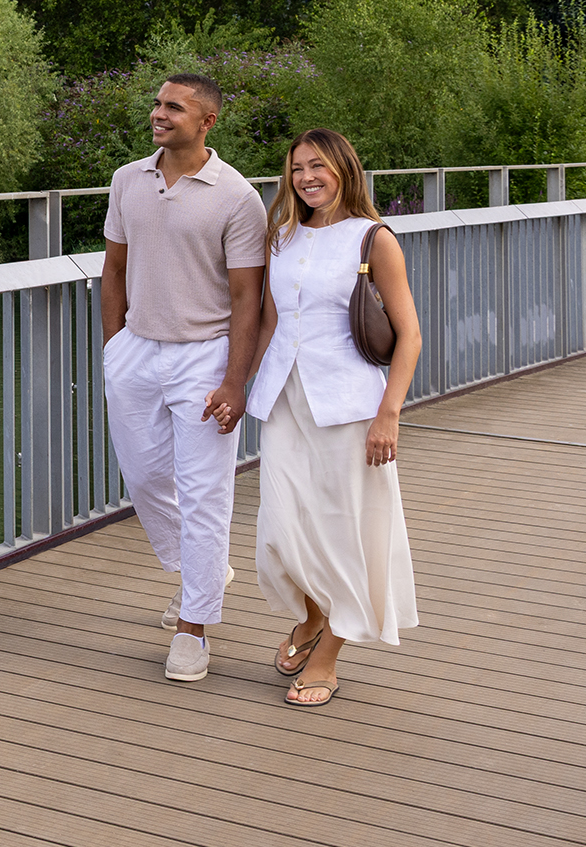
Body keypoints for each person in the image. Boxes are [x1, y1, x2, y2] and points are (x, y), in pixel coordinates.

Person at [100, 73, 270, 682]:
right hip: (138, 352)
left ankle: (194, 629)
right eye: (157, 103)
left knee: (205, 494)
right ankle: (203, 570)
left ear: (207, 122)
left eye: (174, 107)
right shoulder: (128, 180)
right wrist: (115, 346)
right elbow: (113, 269)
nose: (159, 113)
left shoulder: (237, 197)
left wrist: (235, 380)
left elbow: (248, 297)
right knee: (145, 479)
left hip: (205, 356)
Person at [248, 127, 421, 706]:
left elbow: (410, 336)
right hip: (283, 401)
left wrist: (388, 415)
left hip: (349, 407)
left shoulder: (374, 239)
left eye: (318, 166)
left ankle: (330, 653)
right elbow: (269, 323)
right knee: (283, 525)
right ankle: (313, 615)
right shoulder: (282, 236)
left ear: (345, 168)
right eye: (297, 169)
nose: (307, 178)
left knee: (346, 531)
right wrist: (233, 383)